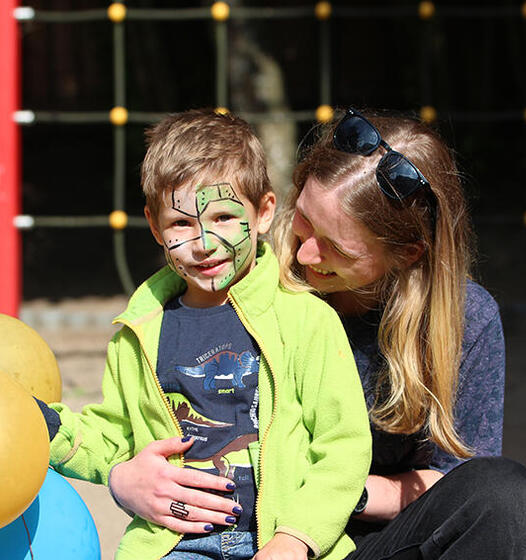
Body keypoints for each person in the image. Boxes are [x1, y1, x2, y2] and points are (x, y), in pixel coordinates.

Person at [106, 107, 526, 559]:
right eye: (303, 220)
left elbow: (456, 482)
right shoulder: (244, 279)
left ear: (408, 253)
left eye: (334, 247)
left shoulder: (466, 318)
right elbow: (145, 411)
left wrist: (327, 493)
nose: (302, 253)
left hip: (366, 541)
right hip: (249, 538)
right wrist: (121, 478)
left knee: (506, 495)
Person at [40, 108, 372, 560]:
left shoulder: (306, 320)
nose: (204, 243)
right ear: (155, 227)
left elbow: (343, 447)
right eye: (181, 224)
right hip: (178, 546)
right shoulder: (139, 333)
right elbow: (116, 440)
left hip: (286, 541)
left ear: (263, 213)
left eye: (221, 217)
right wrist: (50, 429)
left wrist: (295, 541)